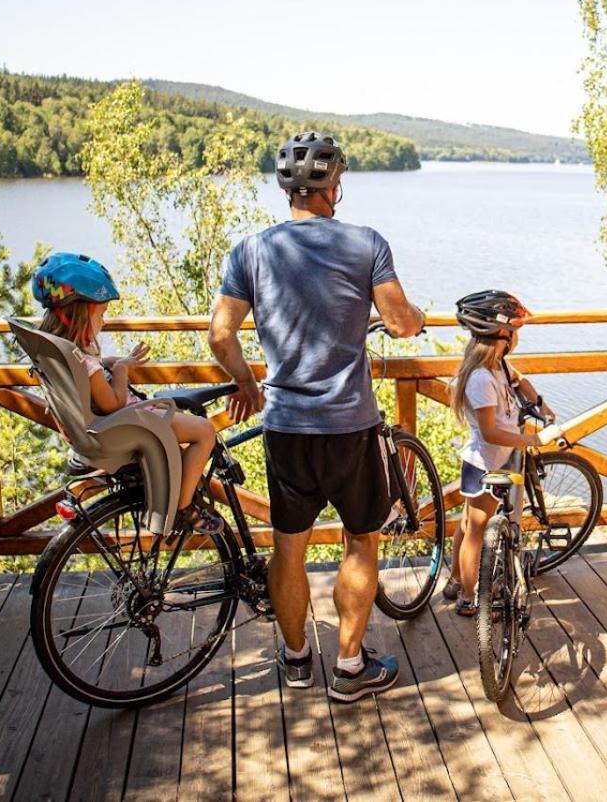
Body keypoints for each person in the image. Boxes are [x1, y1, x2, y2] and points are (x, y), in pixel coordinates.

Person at [209, 131, 426, 702]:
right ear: (335, 185)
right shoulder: (365, 244)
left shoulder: (252, 251)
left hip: (285, 426)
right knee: (361, 541)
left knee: (289, 546)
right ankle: (350, 669)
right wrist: (418, 316)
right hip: (349, 425)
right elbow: (401, 322)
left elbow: (220, 333)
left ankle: (298, 660)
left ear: (287, 188)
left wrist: (247, 383)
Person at [32, 251, 222, 533]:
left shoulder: (60, 354)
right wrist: (121, 370)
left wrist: (107, 363)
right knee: (205, 431)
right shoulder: (84, 361)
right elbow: (112, 403)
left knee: (185, 428)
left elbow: (91, 372)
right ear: (81, 313)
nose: (104, 322)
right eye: (102, 314)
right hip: (127, 425)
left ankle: (173, 490)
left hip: (98, 431)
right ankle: (184, 508)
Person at [439, 291, 554, 617]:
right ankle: (467, 596)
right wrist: (529, 439)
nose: (517, 338)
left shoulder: (498, 366)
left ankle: (456, 579)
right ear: (502, 336)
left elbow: (522, 382)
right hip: (486, 463)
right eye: (515, 332)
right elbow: (490, 431)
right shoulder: (480, 379)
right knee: (476, 528)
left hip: (493, 457)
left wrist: (543, 408)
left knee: (467, 523)